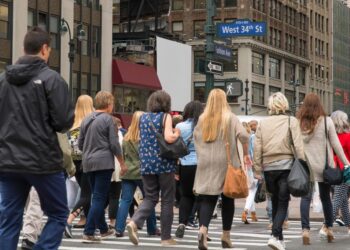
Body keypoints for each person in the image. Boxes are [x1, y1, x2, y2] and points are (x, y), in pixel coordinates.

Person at [0, 27, 74, 249]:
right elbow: (63, 122)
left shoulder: (3, 80)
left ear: (23, 48)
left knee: (9, 220)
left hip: (8, 160)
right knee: (59, 213)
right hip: (43, 161)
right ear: (44, 49)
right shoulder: (52, 80)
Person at [193, 89, 251, 250]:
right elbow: (244, 136)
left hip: (205, 162)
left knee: (207, 199)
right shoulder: (230, 118)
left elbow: (195, 139)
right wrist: (243, 150)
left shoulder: (202, 119)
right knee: (228, 199)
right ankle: (226, 235)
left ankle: (203, 229)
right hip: (226, 163)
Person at [126, 90, 180, 246]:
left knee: (150, 197)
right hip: (163, 163)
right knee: (167, 200)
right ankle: (166, 238)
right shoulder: (166, 117)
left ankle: (134, 222)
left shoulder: (143, 117)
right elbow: (169, 138)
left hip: (146, 163)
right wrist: (177, 133)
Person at [254, 92, 304, 250]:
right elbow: (299, 146)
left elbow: (257, 148)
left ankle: (279, 240)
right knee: (283, 203)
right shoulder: (291, 121)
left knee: (275, 202)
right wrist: (303, 166)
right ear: (284, 104)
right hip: (286, 167)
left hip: (268, 169)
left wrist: (257, 169)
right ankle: (275, 235)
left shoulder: (262, 123)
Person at [297, 93, 349, 244]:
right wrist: (346, 163)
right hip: (324, 167)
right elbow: (336, 145)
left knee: (305, 198)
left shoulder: (299, 122)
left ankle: (305, 230)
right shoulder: (327, 122)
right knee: (326, 198)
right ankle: (329, 229)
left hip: (306, 166)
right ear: (319, 104)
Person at [78, 91, 127, 243]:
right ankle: (89, 231)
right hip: (104, 162)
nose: (113, 106)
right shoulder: (109, 120)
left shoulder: (86, 119)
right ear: (108, 104)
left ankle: (104, 229)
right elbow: (114, 144)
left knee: (96, 196)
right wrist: (122, 162)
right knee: (99, 198)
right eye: (112, 103)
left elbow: (80, 143)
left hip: (87, 162)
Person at [21, 133, 76, 249]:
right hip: (45, 164)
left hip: (18, 161)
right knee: (57, 211)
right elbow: (64, 149)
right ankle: (31, 237)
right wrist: (70, 167)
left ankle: (31, 234)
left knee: (20, 206)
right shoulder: (51, 117)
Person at [115, 111, 158, 237]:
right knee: (149, 200)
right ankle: (151, 228)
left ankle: (119, 228)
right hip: (142, 172)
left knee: (125, 200)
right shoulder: (145, 137)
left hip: (128, 172)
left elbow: (122, 154)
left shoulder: (126, 137)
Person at [65, 95, 95, 238]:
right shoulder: (90, 121)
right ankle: (69, 220)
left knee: (86, 192)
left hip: (74, 162)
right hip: (87, 161)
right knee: (86, 194)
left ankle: (89, 227)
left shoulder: (71, 122)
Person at [174, 101, 204, 238]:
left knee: (186, 196)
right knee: (202, 197)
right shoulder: (204, 126)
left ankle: (182, 223)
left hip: (184, 165)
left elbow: (176, 146)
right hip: (201, 164)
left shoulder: (180, 126)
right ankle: (203, 227)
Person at [331, 110, 350, 235]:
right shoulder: (347, 136)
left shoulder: (331, 137)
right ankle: (326, 224)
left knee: (341, 200)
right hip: (346, 171)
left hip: (333, 171)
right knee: (339, 199)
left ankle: (348, 225)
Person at [241, 122, 259, 224]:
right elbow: (253, 152)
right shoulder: (251, 138)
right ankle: (246, 210)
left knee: (251, 189)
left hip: (243, 166)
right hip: (252, 165)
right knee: (253, 189)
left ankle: (253, 213)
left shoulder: (239, 138)